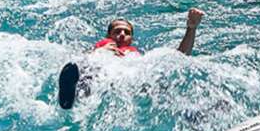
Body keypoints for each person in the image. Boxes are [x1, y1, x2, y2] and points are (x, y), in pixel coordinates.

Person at [58, 8, 206, 108]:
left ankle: (187, 109)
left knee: (164, 74)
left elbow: (179, 57)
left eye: (126, 32)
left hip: (128, 78)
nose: (122, 34)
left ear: (131, 39)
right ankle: (69, 97)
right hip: (101, 73)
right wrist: (99, 52)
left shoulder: (136, 56)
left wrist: (191, 28)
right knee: (88, 67)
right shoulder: (103, 48)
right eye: (117, 31)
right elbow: (82, 59)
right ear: (109, 36)